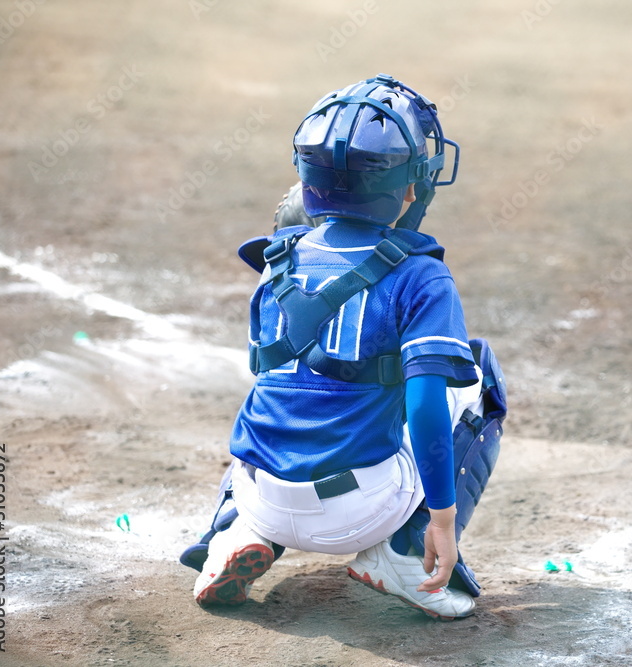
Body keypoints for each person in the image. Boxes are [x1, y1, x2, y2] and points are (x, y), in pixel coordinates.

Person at [179, 74, 506, 621]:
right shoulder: (422, 276)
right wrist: (444, 521)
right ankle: (404, 553)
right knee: (473, 375)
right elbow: (424, 406)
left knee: (286, 388)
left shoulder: (274, 261)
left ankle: (232, 531)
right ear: (410, 187)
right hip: (362, 509)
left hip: (260, 490)